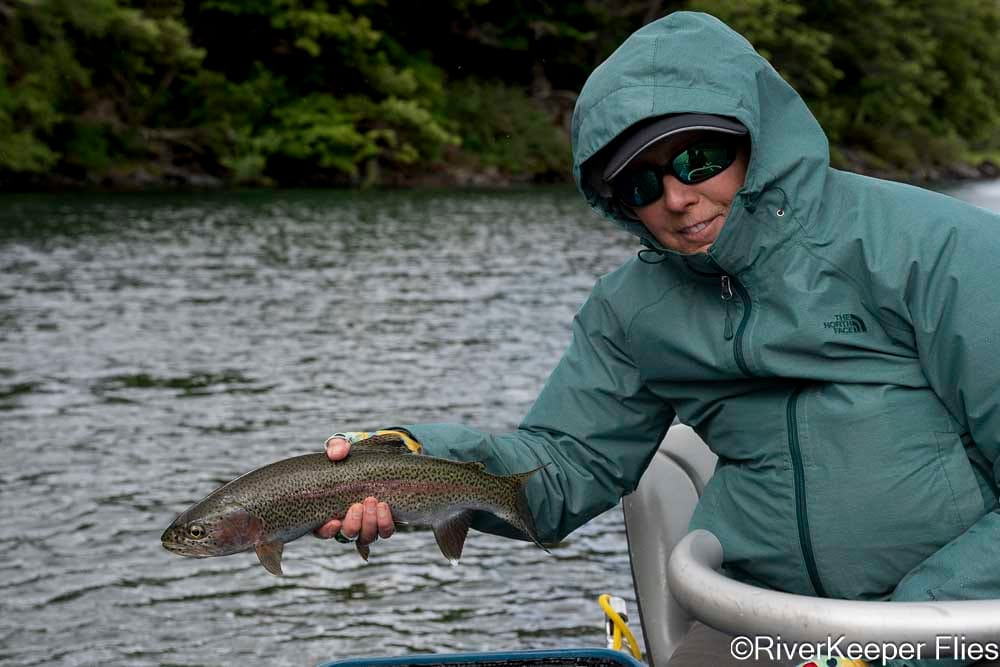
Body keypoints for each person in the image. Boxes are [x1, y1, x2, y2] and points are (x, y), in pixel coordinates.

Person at [315, 11, 1000, 667]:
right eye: (643, 182)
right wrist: (411, 459)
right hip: (761, 620)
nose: (676, 197)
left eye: (699, 159)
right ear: (618, 201)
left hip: (960, 617)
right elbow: (562, 469)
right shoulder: (631, 309)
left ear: (756, 143)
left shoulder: (939, 248)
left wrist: (898, 634)